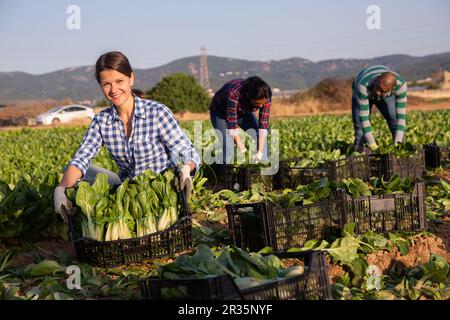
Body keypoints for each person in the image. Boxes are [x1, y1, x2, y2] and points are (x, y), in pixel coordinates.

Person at [54, 51, 200, 223]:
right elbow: (82, 158)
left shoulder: (157, 112)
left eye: (119, 81)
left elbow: (188, 152)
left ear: (131, 79)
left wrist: (185, 169)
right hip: (127, 191)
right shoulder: (102, 121)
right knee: (70, 170)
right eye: (106, 84)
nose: (114, 89)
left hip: (160, 191)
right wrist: (61, 189)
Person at [209, 76, 272, 168]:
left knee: (259, 135)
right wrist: (243, 150)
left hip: (242, 111)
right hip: (220, 111)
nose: (261, 106)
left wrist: (260, 152)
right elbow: (232, 124)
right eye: (257, 104)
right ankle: (226, 175)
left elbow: (263, 126)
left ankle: (263, 170)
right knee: (228, 143)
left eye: (263, 103)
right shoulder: (234, 94)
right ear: (249, 97)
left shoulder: (265, 95)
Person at [351, 65, 408, 152]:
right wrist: (373, 145)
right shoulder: (363, 86)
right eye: (378, 88)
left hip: (385, 92)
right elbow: (364, 119)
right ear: (377, 79)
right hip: (365, 90)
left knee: (394, 119)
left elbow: (401, 118)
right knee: (359, 127)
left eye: (382, 90)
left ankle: (402, 152)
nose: (378, 92)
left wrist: (398, 143)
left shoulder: (401, 87)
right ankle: (359, 154)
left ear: (392, 89)